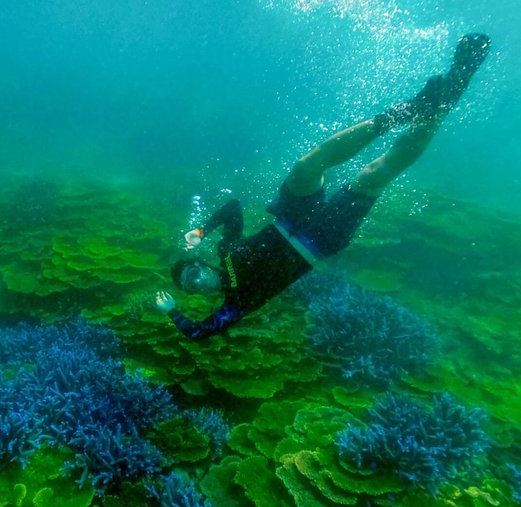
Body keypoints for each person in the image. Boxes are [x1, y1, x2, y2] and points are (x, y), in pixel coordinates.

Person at [154, 33, 491, 340]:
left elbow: (233, 209)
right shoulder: (237, 301)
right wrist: (172, 313)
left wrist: (201, 229)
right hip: (318, 241)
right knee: (373, 175)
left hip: (289, 216)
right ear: (196, 294)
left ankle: (402, 113)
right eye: (191, 286)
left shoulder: (224, 251)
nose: (198, 280)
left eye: (194, 272)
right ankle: (448, 96)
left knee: (305, 167)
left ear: (201, 264)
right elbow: (200, 332)